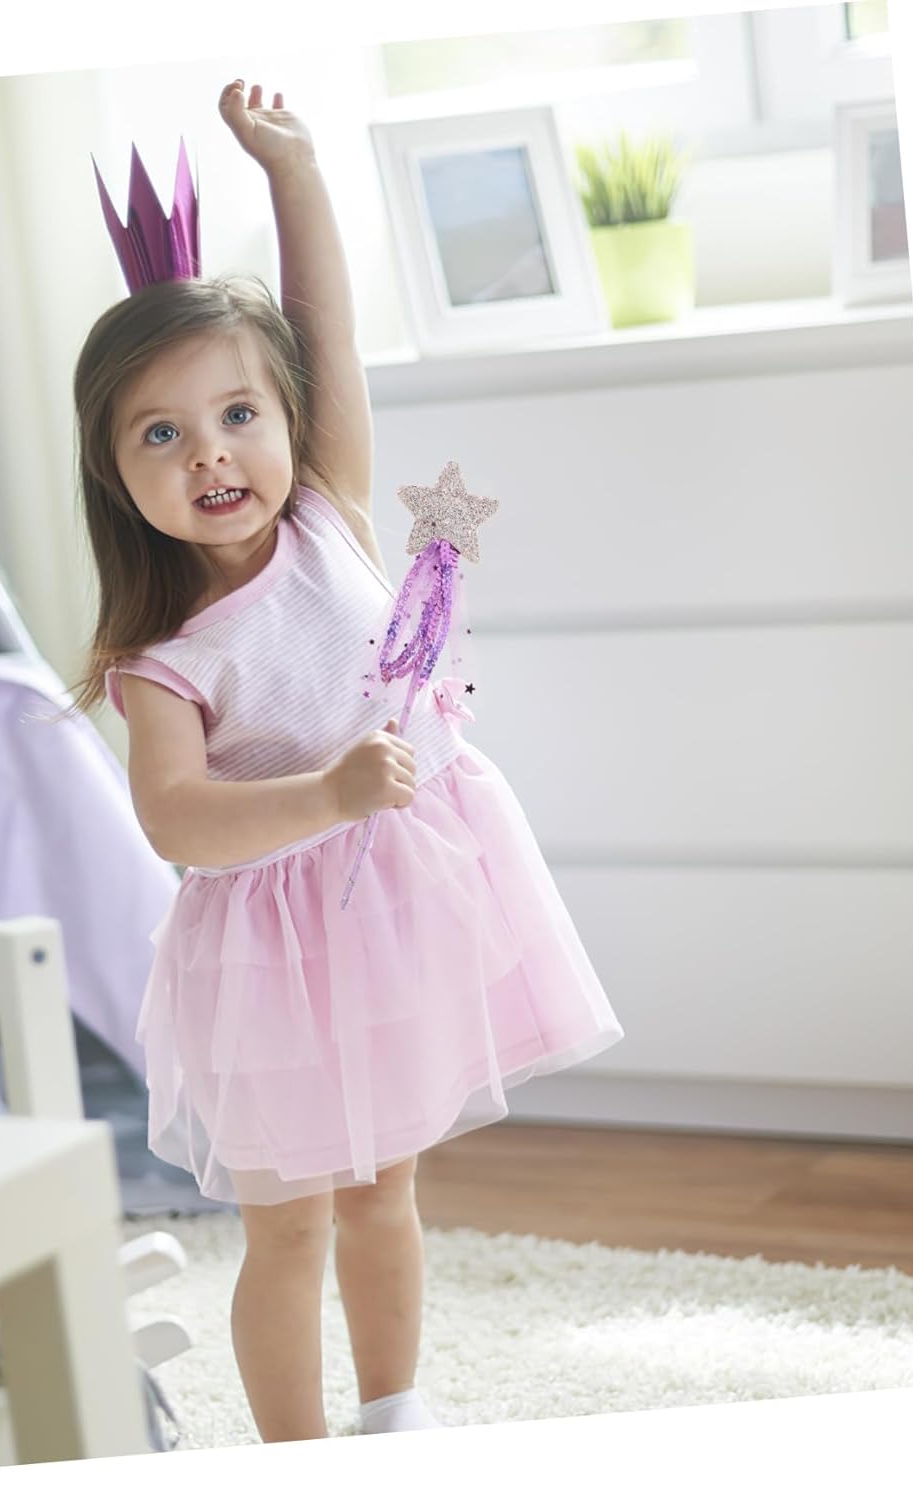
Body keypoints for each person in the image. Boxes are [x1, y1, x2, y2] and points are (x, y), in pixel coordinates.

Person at [68, 78, 625, 1444]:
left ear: (286, 418)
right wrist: (324, 793)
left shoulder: (333, 512)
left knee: (386, 1191)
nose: (211, 454)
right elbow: (176, 820)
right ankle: (296, 1452)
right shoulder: (164, 661)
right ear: (116, 474)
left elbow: (328, 332)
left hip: (398, 908)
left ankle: (394, 1414)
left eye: (237, 415)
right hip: (270, 962)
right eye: (161, 434)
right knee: (292, 1225)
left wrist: (296, 174)